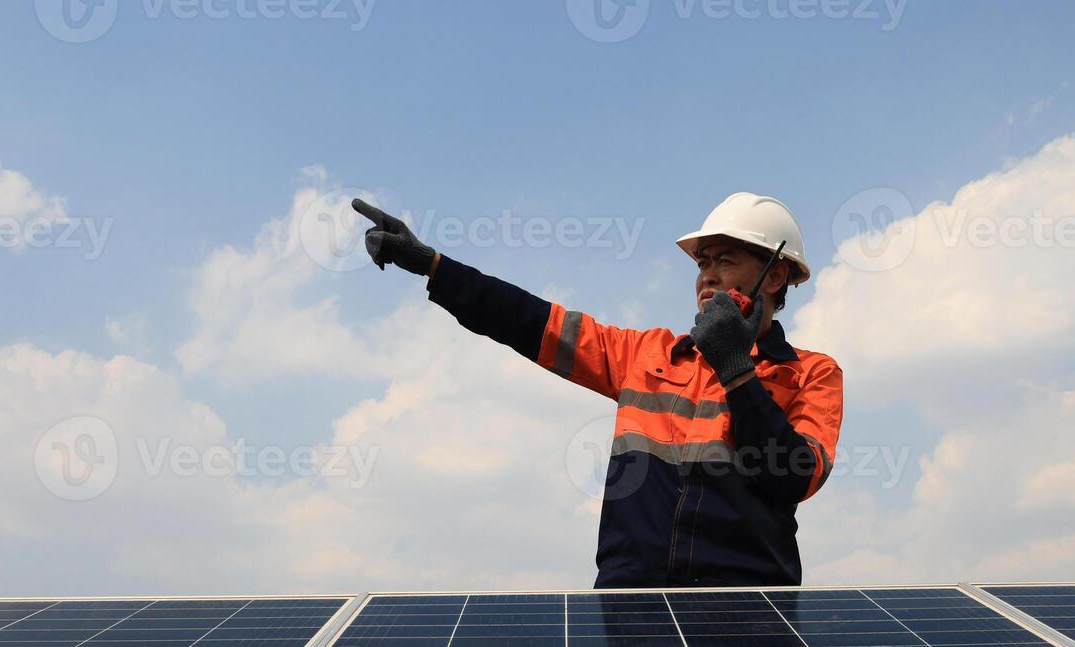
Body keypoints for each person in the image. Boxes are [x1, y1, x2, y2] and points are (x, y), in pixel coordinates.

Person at [352, 192, 843, 588]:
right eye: (702, 263)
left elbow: (795, 478)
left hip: (749, 617)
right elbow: (531, 321)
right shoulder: (646, 356)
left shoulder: (813, 373)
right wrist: (435, 266)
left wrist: (736, 369)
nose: (707, 275)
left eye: (726, 261)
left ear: (775, 275)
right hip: (632, 609)